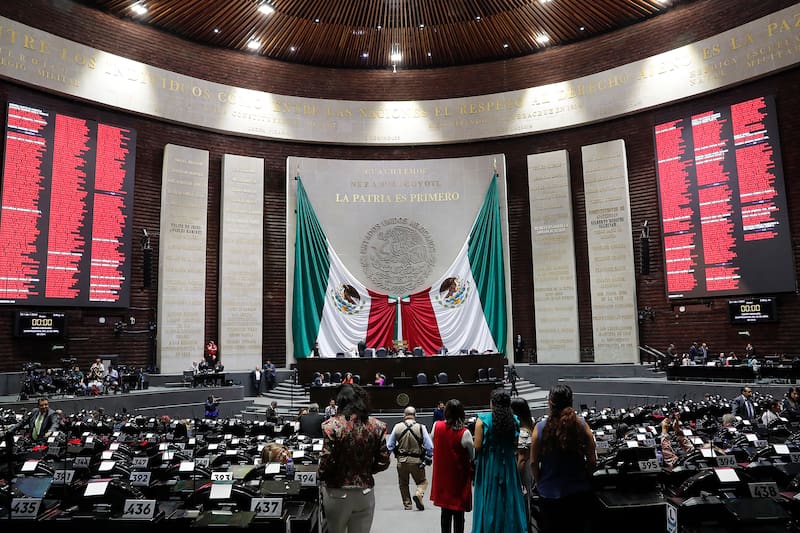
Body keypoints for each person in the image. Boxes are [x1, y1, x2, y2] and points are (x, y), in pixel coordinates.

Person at [319, 383, 391, 533]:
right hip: (365, 491)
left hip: (337, 492)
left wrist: (322, 476)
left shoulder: (331, 426)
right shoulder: (377, 426)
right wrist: (366, 470)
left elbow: (326, 461)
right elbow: (384, 461)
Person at [530, 384, 596, 533]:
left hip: (549, 494)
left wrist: (540, 481)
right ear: (571, 401)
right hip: (578, 494)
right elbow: (592, 461)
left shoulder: (539, 428)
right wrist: (586, 476)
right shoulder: (582, 425)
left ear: (550, 402)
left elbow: (533, 462)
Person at [473, 388, 527, 533]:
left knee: (489, 498)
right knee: (508, 497)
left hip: (489, 464)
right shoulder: (514, 420)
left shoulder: (482, 421)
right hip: (508, 463)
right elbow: (515, 445)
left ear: (492, 403)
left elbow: (477, 446)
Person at [430, 399, 474, 533]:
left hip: (443, 477)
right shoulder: (464, 432)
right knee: (459, 514)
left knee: (445, 513)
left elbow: (434, 441)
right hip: (458, 479)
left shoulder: (436, 426)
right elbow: (472, 456)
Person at [387, 405, 434, 511]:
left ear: (404, 415)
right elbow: (430, 446)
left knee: (403, 483)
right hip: (417, 461)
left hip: (402, 461)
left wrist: (386, 458)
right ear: (415, 415)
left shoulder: (397, 427)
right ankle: (418, 494)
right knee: (422, 482)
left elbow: (390, 445)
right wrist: (428, 457)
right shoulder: (421, 427)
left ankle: (407, 504)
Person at [511, 397, 535, 533]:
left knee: (523, 506)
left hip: (523, 474)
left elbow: (521, 459)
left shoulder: (523, 433)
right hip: (528, 472)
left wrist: (516, 479)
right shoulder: (529, 425)